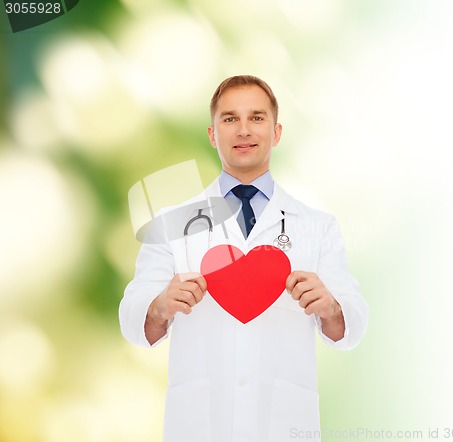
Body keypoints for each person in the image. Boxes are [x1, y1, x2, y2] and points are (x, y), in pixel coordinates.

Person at [119, 75, 368, 442]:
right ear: (212, 133)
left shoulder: (317, 226)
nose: (244, 130)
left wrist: (331, 308)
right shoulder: (173, 223)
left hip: (283, 424)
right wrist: (159, 307)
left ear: (277, 131)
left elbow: (352, 325)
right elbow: (132, 317)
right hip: (200, 425)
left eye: (257, 117)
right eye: (230, 118)